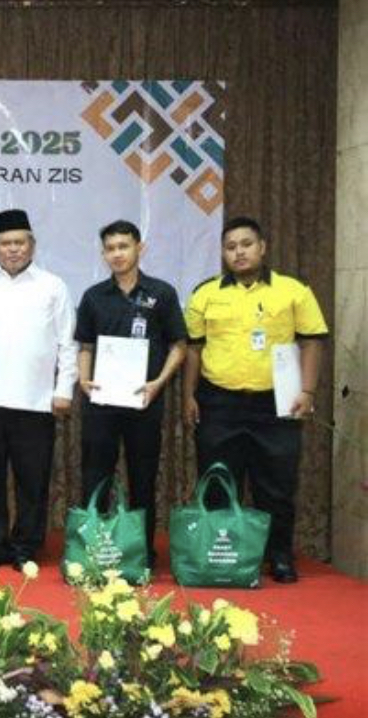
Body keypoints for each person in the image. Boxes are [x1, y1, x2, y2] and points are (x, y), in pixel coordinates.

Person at [183, 216, 327, 583]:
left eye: (246, 244)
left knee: (276, 484)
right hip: (219, 403)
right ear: (223, 253)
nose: (239, 252)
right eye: (231, 247)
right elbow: (193, 350)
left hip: (276, 403)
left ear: (262, 247)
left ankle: (278, 556)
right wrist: (188, 396)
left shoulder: (293, 290)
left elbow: (312, 341)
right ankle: (222, 555)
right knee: (218, 482)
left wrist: (307, 391)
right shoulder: (205, 293)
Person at [0, 209, 77, 571]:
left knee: (32, 480)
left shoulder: (53, 286)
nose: (13, 249)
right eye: (5, 243)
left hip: (35, 401)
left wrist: (64, 389)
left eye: (19, 242)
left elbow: (67, 343)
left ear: (32, 245)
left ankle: (26, 546)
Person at [75, 221, 187, 565]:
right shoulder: (94, 296)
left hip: (144, 402)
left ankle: (141, 553)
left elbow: (179, 346)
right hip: (101, 404)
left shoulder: (161, 293)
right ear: (103, 254)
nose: (117, 254)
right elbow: (85, 346)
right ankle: (93, 551)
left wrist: (159, 382)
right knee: (95, 478)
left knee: (143, 479)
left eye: (123, 246)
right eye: (110, 249)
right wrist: (83, 379)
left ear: (140, 248)